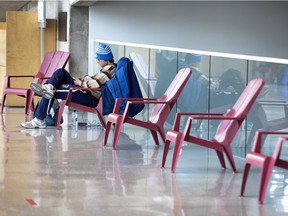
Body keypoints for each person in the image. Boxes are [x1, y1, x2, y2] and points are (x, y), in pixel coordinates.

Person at [21, 44, 117, 129]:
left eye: (99, 59)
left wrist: (80, 83)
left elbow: (94, 84)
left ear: (106, 59)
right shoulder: (107, 68)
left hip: (88, 96)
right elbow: (94, 81)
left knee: (51, 90)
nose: (97, 61)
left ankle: (39, 119)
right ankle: (49, 87)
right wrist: (80, 80)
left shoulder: (109, 70)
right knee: (60, 72)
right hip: (85, 90)